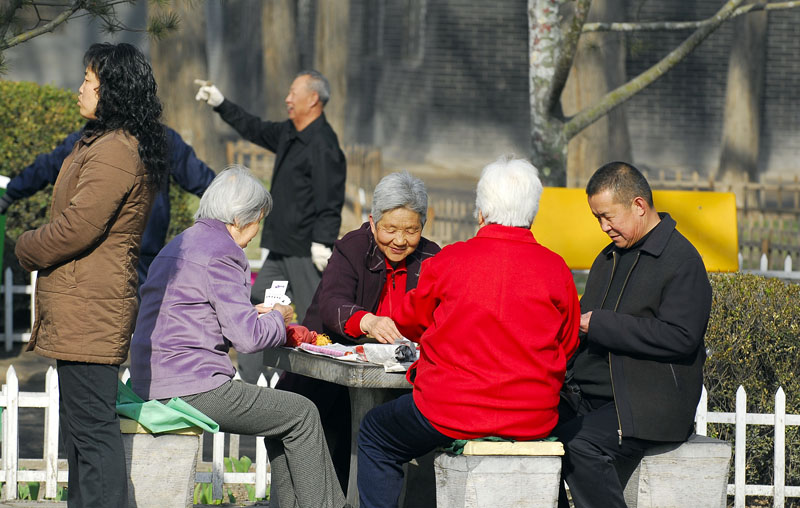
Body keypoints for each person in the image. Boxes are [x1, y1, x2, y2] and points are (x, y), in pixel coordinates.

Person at [356, 156, 581, 508]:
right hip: (533, 416)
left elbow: (409, 319)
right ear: (532, 214)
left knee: (375, 435)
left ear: (480, 212)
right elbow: (566, 344)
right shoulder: (557, 270)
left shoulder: (449, 261)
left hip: (448, 412)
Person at [130, 166, 345, 508]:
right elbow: (249, 340)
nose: (256, 231)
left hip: (152, 377)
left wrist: (251, 312)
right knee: (303, 414)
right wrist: (278, 315)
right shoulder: (223, 252)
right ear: (241, 218)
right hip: (193, 385)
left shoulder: (180, 243)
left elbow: (192, 313)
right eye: (259, 220)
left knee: (284, 419)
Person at [14, 42, 169, 508]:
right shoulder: (102, 142)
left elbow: (78, 227)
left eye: (89, 81)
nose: (79, 88)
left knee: (93, 435)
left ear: (113, 93)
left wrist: (23, 246)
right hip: (84, 306)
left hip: (91, 309)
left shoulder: (117, 151)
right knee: (83, 437)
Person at [552, 161, 712, 508]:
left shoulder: (682, 259)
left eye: (608, 216)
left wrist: (601, 325)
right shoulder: (607, 258)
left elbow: (681, 336)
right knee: (531, 433)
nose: (603, 226)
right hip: (588, 395)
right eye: (597, 218)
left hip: (648, 402)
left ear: (639, 205)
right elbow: (583, 325)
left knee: (578, 444)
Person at [282, 171, 441, 490]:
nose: (400, 240)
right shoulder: (352, 248)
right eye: (390, 229)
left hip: (406, 380)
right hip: (333, 378)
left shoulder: (432, 257)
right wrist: (366, 321)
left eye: (411, 230)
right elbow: (332, 303)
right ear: (372, 222)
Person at [196, 70, 346, 383]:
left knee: (313, 319)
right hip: (279, 248)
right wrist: (221, 103)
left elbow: (330, 198)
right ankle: (251, 382)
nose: (287, 99)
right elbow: (255, 128)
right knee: (256, 307)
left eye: (294, 93)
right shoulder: (290, 132)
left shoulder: (324, 144)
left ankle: (318, 387)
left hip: (306, 252)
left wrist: (323, 242)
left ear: (313, 99)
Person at [0, 127, 216, 285]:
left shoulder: (93, 138)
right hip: (133, 247)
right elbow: (203, 181)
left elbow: (203, 182)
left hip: (122, 251)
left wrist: (11, 194)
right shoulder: (159, 138)